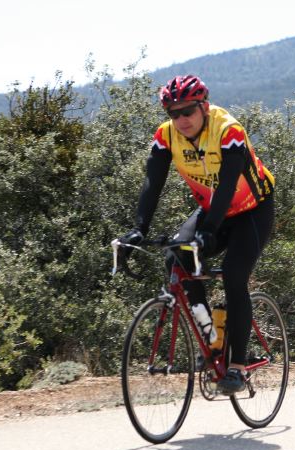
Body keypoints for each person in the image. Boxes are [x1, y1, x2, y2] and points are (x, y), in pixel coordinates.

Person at [117, 75, 275, 393]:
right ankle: (213, 339)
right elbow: (152, 184)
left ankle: (238, 367)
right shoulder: (166, 136)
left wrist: (207, 232)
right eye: (173, 113)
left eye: (187, 111)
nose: (181, 120)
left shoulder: (228, 130)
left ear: (203, 106)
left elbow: (227, 185)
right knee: (177, 257)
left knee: (233, 275)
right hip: (213, 210)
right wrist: (138, 229)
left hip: (252, 211)